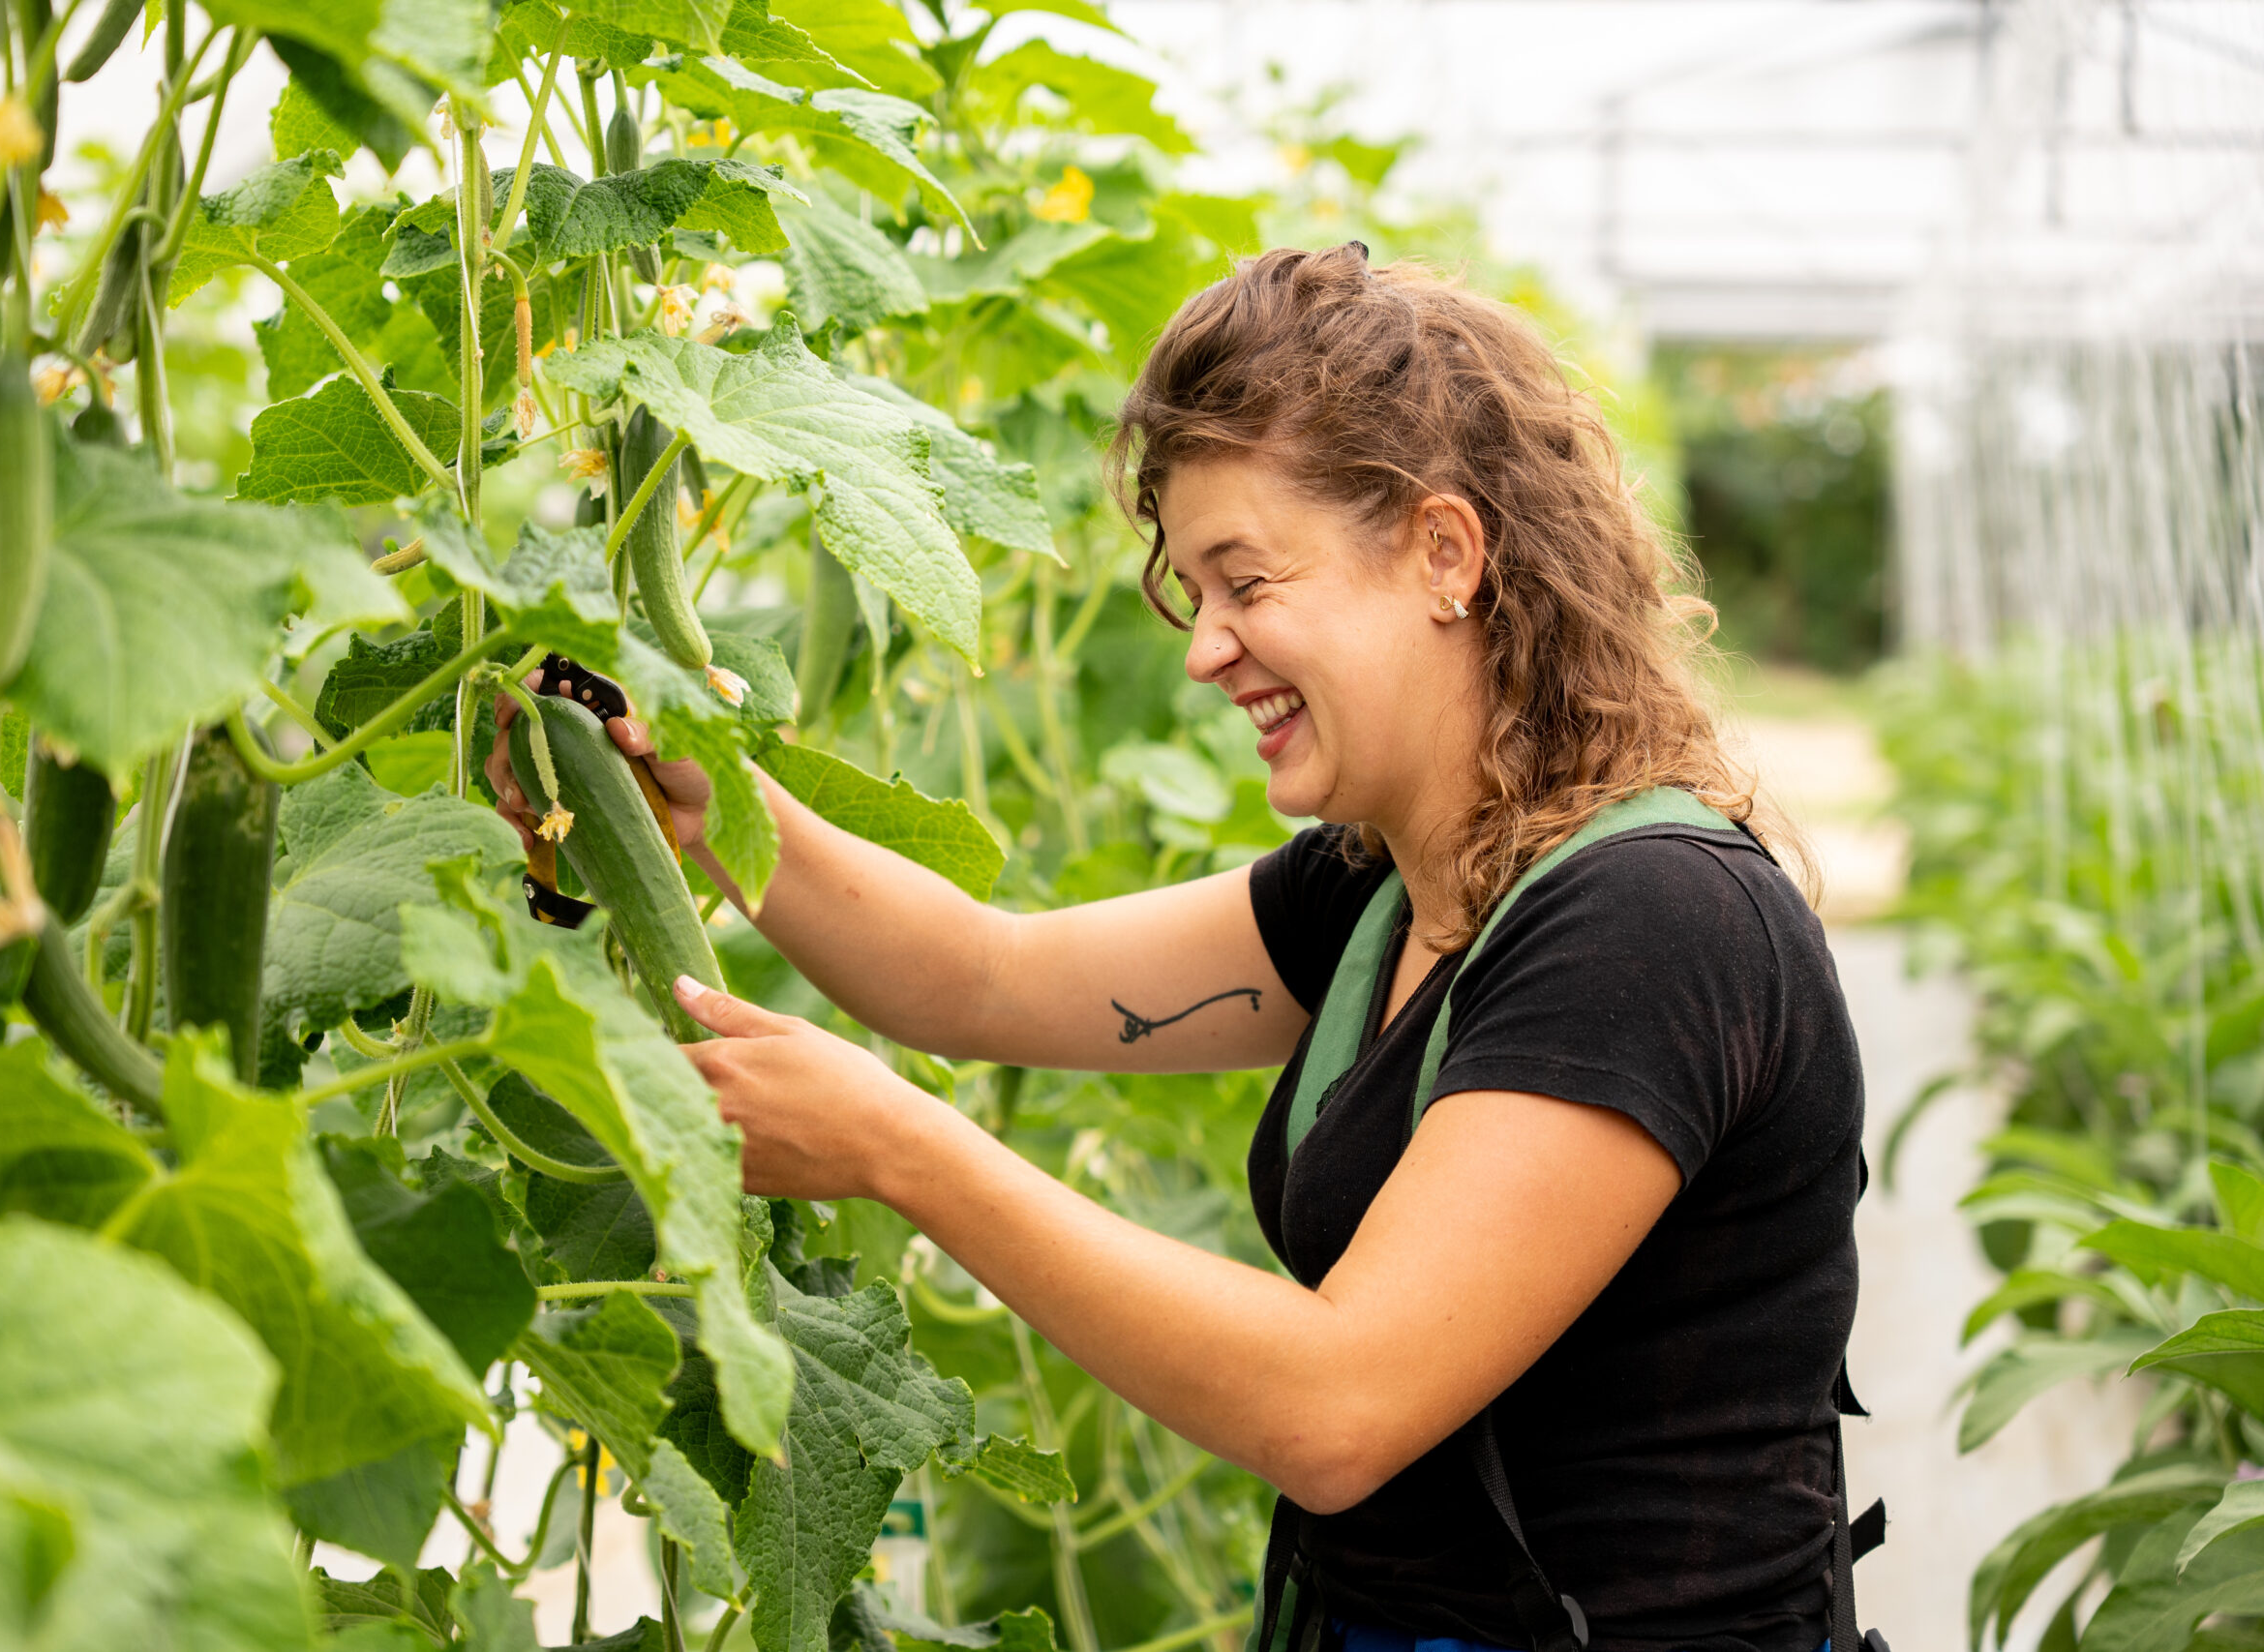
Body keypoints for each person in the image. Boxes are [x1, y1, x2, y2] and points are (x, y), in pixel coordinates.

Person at [490, 244, 1867, 1652]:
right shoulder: (1381, 893)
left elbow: (1338, 1407)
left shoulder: (1653, 925)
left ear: (1445, 554)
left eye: (1246, 582)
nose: (1206, 649)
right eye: (1195, 594)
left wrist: (901, 1151)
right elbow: (983, 978)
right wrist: (711, 804)